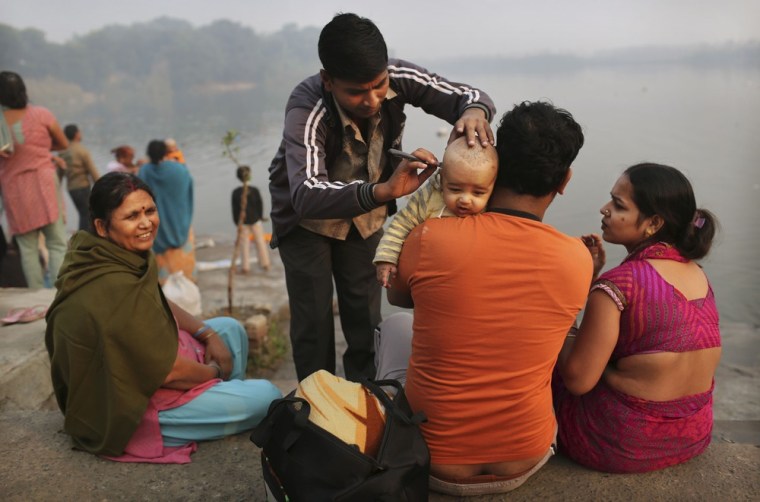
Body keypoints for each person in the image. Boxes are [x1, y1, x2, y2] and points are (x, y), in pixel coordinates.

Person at [374, 101, 589, 496]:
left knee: (395, 325)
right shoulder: (578, 257)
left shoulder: (430, 238)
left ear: (496, 163)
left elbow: (402, 296)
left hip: (431, 460)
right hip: (526, 457)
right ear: (565, 181)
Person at [268, 12, 496, 382]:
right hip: (306, 222)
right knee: (313, 321)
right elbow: (306, 192)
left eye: (379, 85)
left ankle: (364, 401)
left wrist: (473, 112)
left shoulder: (398, 76)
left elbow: (469, 96)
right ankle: (315, 407)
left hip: (366, 217)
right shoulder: (306, 107)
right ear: (328, 81)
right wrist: (383, 191)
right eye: (356, 91)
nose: (372, 100)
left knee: (364, 316)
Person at [45, 172, 282, 463]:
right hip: (126, 405)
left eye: (149, 211)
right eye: (132, 216)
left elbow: (158, 301)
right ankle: (216, 402)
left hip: (146, 368)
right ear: (102, 227)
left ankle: (218, 401)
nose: (146, 223)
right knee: (269, 396)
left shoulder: (107, 252)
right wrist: (214, 372)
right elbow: (166, 371)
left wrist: (208, 335)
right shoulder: (111, 284)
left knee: (229, 329)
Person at [553, 163, 721, 473]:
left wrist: (565, 305)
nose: (604, 210)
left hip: (620, 444)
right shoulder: (698, 275)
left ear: (653, 223)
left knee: (544, 345)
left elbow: (578, 380)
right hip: (693, 436)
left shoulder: (621, 284)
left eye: (618, 206)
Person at [373, 137, 498, 287]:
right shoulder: (428, 198)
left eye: (478, 193)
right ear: (442, 178)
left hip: (473, 277)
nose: (465, 199)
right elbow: (401, 225)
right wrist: (386, 258)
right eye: (455, 189)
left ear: (492, 187)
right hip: (432, 275)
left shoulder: (493, 205)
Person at [0, 71, 69, 289]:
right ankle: (59, 295)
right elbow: (63, 144)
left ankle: (36, 295)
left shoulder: (0, 121)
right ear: (23, 90)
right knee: (57, 243)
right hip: (44, 183)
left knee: (27, 248)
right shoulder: (42, 114)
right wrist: (40, 150)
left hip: (15, 189)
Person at [138, 139, 195, 284]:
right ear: (166, 153)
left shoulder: (144, 172)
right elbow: (188, 191)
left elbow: (139, 197)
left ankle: (163, 287)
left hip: (157, 228)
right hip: (180, 224)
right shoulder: (179, 170)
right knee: (185, 274)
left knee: (163, 277)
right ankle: (187, 282)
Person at [231, 165, 271, 273]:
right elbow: (260, 205)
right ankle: (265, 263)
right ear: (249, 176)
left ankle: (245, 267)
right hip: (255, 220)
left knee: (244, 244)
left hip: (243, 222)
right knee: (260, 242)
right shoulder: (254, 190)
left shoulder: (235, 192)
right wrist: (261, 217)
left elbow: (234, 209)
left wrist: (236, 222)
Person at [60, 124, 100, 230]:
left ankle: (83, 238)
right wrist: (102, 184)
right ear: (77, 134)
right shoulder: (81, 150)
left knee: (83, 213)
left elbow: (59, 174)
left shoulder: (63, 152)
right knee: (86, 214)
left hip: (71, 188)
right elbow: (92, 171)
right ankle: (83, 239)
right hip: (82, 187)